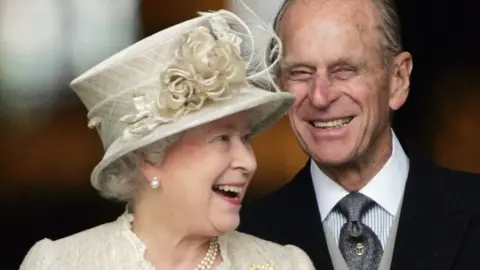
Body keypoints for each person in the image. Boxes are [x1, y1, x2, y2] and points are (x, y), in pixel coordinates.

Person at [20, 7, 316, 270]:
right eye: (222, 138)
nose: (249, 162)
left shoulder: (287, 265)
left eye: (245, 137)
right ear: (150, 156)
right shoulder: (60, 263)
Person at [238, 0, 480, 269]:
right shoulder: (243, 236)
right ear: (280, 86)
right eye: (300, 73)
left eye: (344, 71)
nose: (320, 96)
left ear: (398, 79)